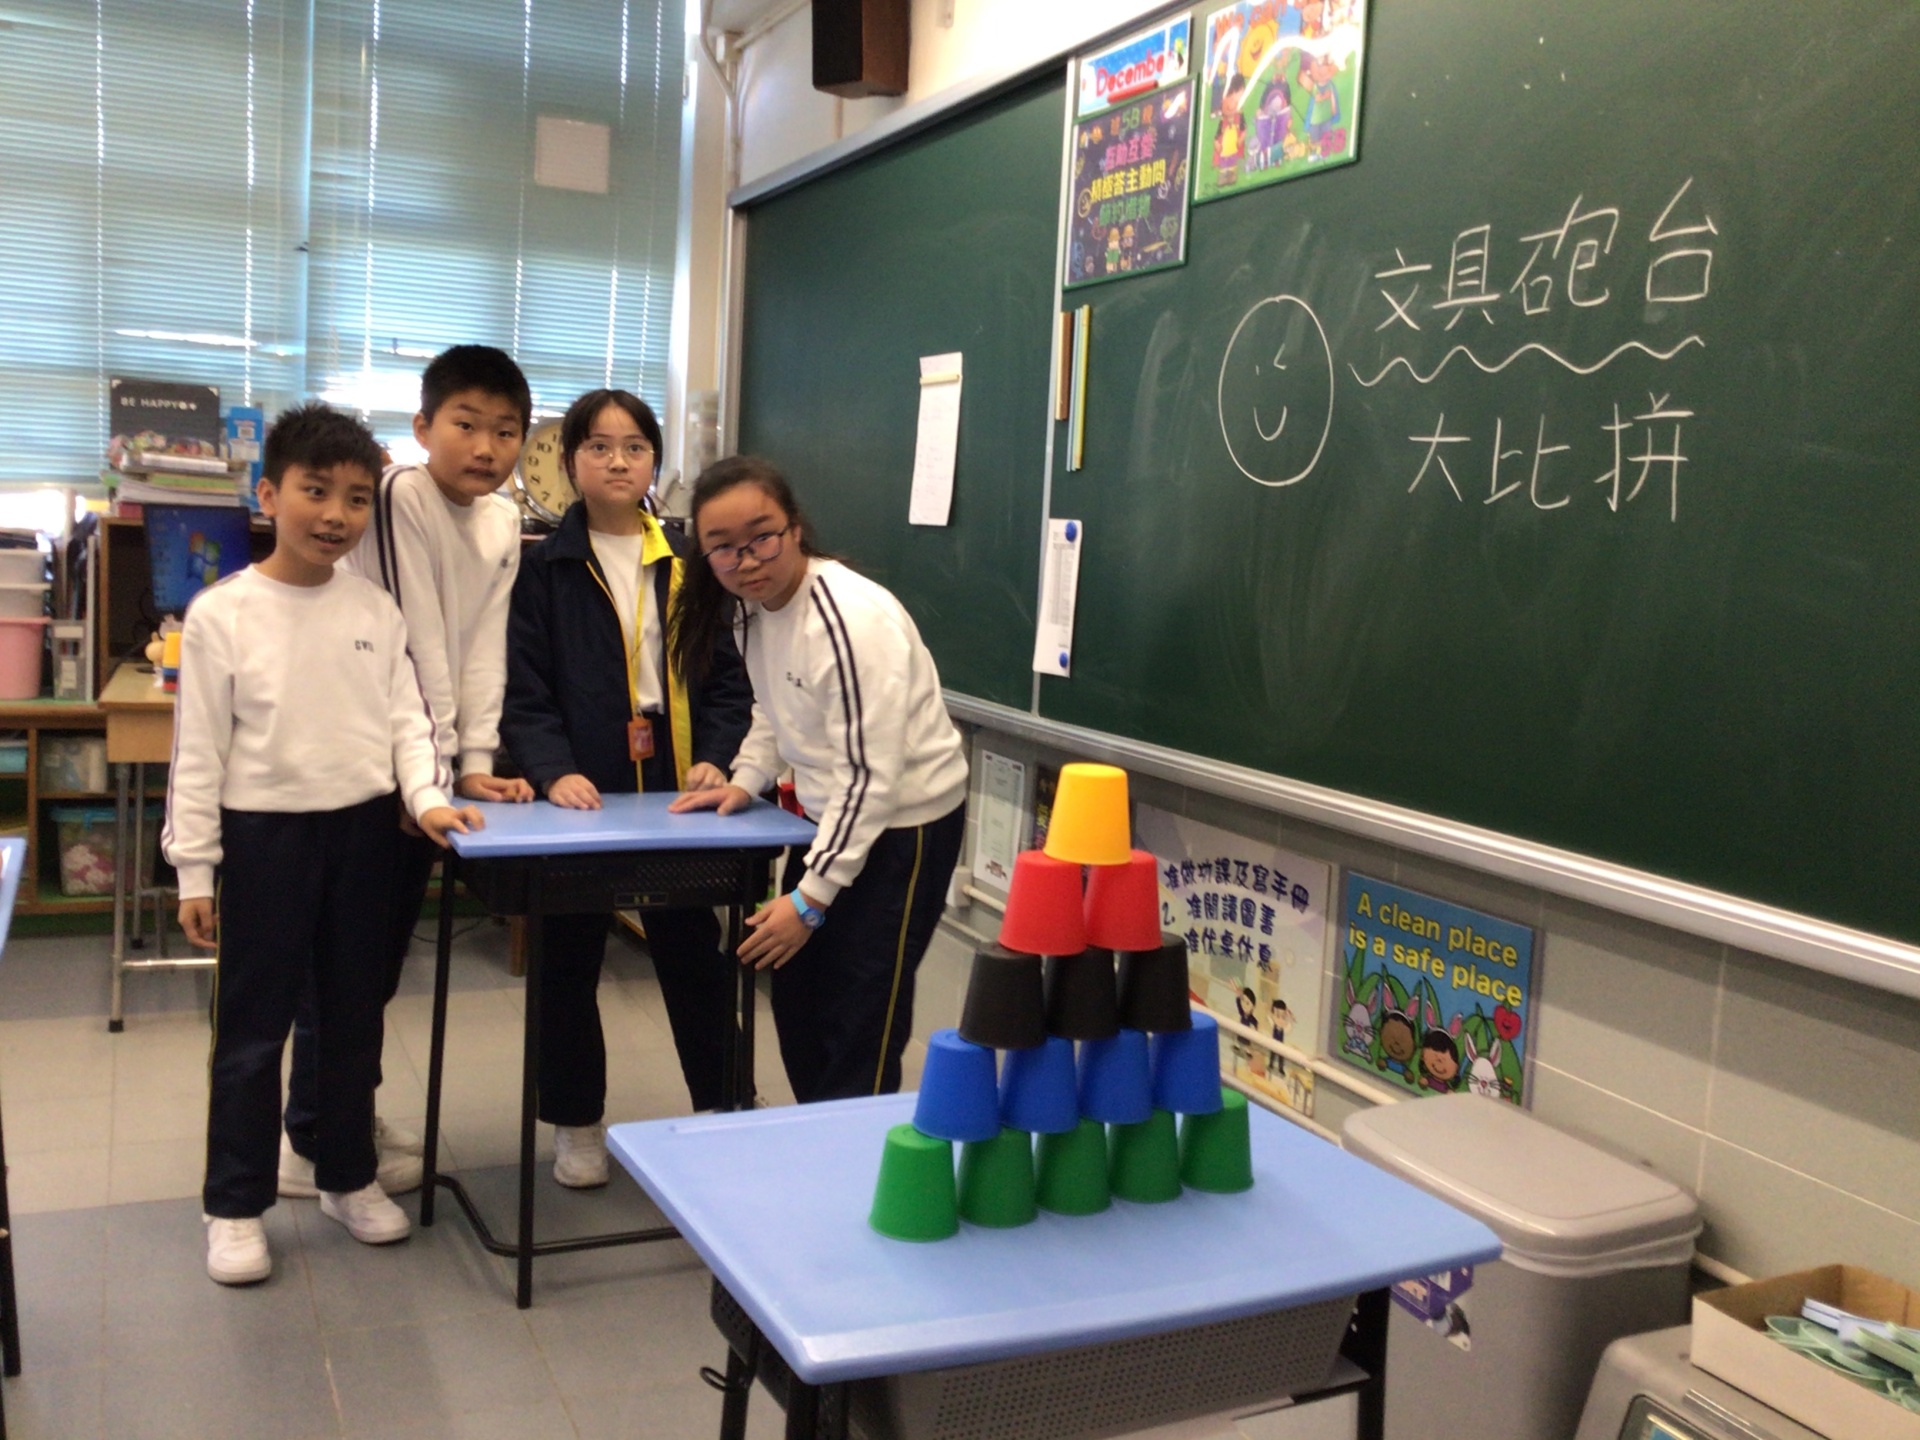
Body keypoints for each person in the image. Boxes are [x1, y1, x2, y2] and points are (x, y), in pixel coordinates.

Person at [164, 403, 484, 1286]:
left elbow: (408, 721)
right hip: (262, 840)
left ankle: (346, 1176)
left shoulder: (375, 609)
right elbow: (198, 753)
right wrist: (195, 870)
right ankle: (234, 1205)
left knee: (352, 1021)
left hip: (363, 836)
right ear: (269, 494)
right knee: (251, 1032)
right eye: (316, 492)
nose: (336, 515)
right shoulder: (222, 613)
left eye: (355, 498)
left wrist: (427, 799)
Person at [278, 344, 536, 1203]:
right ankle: (314, 1137)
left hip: (427, 774)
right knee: (345, 968)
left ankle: (335, 1117)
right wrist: (422, 778)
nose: (486, 447)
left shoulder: (501, 521)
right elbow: (414, 644)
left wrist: (475, 765)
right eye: (466, 424)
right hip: (373, 770)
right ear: (423, 427)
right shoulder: (399, 496)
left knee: (373, 967)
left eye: (506, 430)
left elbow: (484, 649)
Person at [501, 389, 753, 1185]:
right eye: (600, 446)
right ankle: (576, 1122)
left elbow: (728, 683)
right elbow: (524, 691)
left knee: (694, 954)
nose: (618, 461)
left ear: (654, 461)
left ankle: (725, 1110)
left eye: (635, 446)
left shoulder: (689, 559)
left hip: (675, 785)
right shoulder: (541, 566)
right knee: (566, 959)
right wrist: (552, 770)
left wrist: (718, 756)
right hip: (583, 787)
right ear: (568, 460)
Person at [667, 457, 968, 1103]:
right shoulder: (748, 610)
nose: (747, 559)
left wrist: (811, 899)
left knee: (860, 1016)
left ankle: (856, 1155)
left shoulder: (849, 619)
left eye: (762, 536)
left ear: (795, 528)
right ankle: (816, 1135)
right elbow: (772, 708)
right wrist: (745, 780)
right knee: (799, 998)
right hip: (831, 815)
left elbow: (871, 776)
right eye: (723, 547)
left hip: (905, 825)